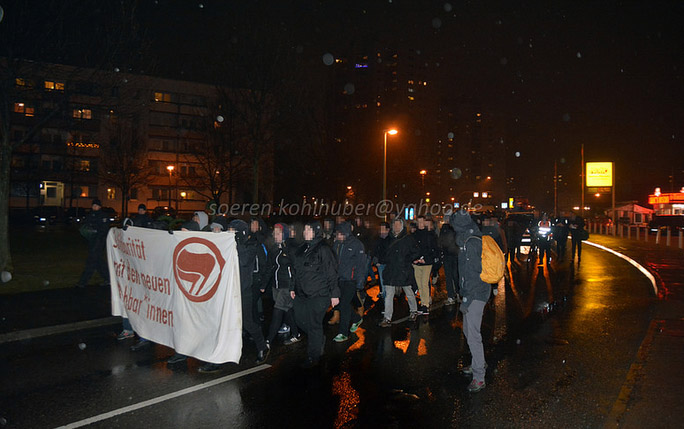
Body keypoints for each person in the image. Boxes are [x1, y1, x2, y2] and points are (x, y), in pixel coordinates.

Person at [199, 219, 270, 373]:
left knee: (247, 323)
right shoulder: (229, 245)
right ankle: (216, 359)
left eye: (233, 231)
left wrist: (234, 241)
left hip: (243, 292)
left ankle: (262, 347)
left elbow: (244, 261)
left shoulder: (251, 246)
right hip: (227, 291)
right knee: (221, 324)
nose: (229, 233)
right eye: (229, 230)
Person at [451, 209, 491, 392]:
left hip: (476, 293)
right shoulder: (470, 238)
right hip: (474, 292)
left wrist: (466, 299)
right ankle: (478, 362)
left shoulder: (471, 243)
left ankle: (479, 377)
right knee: (468, 330)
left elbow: (472, 275)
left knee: (473, 335)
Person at [292, 221, 339, 368]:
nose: (305, 232)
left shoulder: (323, 249)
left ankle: (314, 356)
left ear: (315, 231)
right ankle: (318, 338)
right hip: (301, 294)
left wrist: (334, 294)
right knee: (299, 320)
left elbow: (332, 272)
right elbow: (295, 271)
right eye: (304, 229)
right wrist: (292, 287)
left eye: (308, 229)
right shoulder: (302, 249)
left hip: (319, 294)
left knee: (313, 324)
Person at [378, 218, 420, 327]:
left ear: (402, 226)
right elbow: (382, 252)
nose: (396, 227)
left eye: (398, 225)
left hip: (403, 270)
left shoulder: (408, 239)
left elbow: (416, 251)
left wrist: (407, 259)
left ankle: (414, 311)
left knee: (408, 292)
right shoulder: (388, 239)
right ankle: (387, 318)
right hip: (391, 270)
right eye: (394, 225)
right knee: (389, 295)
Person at [264, 223, 300, 346]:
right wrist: (263, 285)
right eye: (275, 232)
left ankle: (268, 340)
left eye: (279, 233)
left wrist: (292, 287)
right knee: (287, 310)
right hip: (276, 286)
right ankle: (296, 333)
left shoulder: (291, 248)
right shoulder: (274, 249)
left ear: (284, 234)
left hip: (286, 286)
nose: (276, 235)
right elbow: (270, 267)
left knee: (277, 311)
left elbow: (295, 269)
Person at [332, 221, 367, 342]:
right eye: (337, 233)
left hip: (351, 280)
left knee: (344, 305)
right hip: (339, 279)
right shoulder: (337, 244)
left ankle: (343, 333)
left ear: (346, 233)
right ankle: (356, 318)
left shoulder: (357, 245)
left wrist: (360, 282)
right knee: (340, 304)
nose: (338, 236)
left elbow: (361, 265)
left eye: (341, 234)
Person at [76, 198, 111, 288]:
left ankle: (83, 281)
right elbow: (85, 226)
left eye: (96, 205)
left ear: (100, 206)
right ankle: (109, 279)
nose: (95, 207)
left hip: (99, 241)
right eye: (93, 205)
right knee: (98, 261)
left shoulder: (103, 216)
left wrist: (95, 230)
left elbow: (104, 229)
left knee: (91, 261)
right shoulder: (90, 215)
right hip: (92, 241)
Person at [411, 215, 438, 314]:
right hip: (417, 263)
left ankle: (425, 304)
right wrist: (414, 259)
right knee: (419, 283)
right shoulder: (414, 235)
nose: (420, 224)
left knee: (424, 283)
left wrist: (425, 259)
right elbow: (412, 249)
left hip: (426, 263)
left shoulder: (430, 235)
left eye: (422, 222)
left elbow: (433, 249)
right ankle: (423, 302)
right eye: (419, 222)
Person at [438, 221, 459, 305]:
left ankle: (452, 296)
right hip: (453, 255)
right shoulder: (455, 228)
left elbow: (440, 241)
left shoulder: (444, 229)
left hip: (448, 255)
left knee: (450, 276)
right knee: (454, 275)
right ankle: (457, 293)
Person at [371, 222, 391, 301]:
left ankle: (388, 299)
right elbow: (374, 251)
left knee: (388, 283)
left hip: (388, 264)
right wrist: (376, 261)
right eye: (381, 229)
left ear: (388, 230)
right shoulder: (378, 239)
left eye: (383, 229)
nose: (381, 231)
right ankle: (385, 299)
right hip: (381, 264)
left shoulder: (390, 240)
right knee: (383, 282)